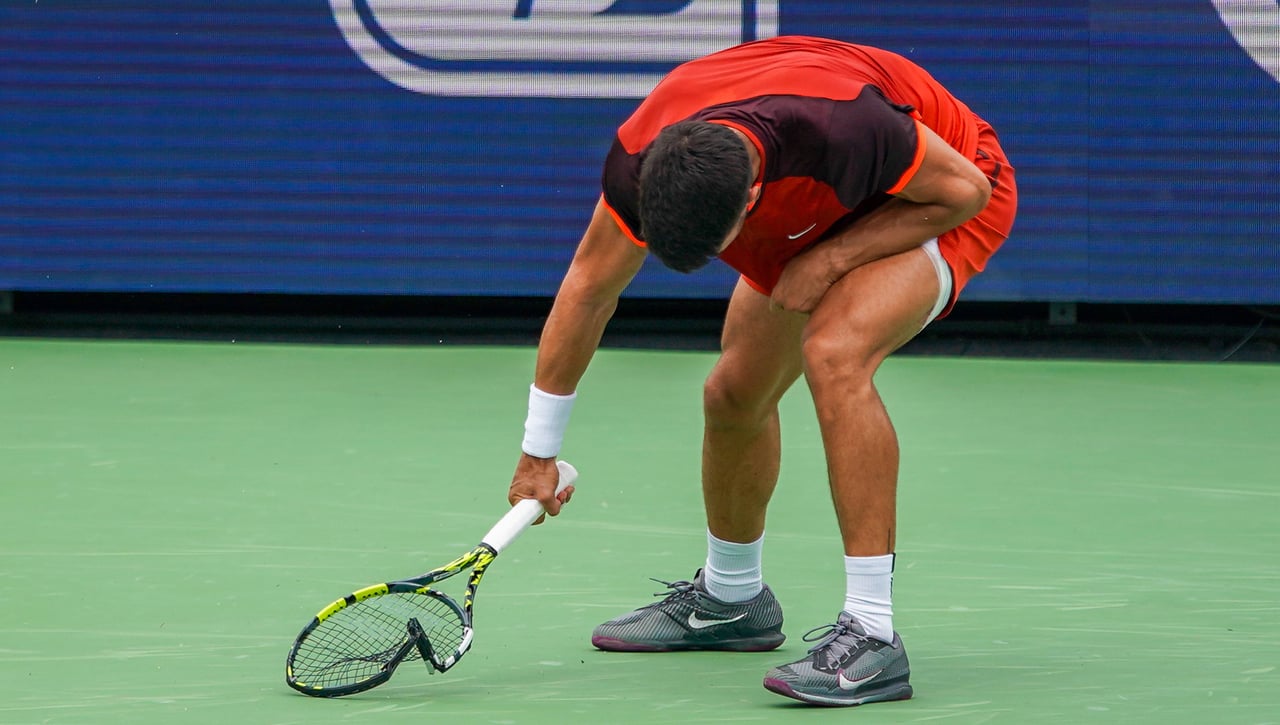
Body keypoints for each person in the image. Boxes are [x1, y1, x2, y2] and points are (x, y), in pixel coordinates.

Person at [507, 35, 1017, 707]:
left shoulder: (843, 126)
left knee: (834, 353)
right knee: (732, 393)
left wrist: (832, 260)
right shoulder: (642, 157)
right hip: (818, 199)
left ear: (750, 201)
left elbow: (965, 192)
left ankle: (872, 634)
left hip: (940, 187)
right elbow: (589, 289)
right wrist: (537, 454)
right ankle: (731, 597)